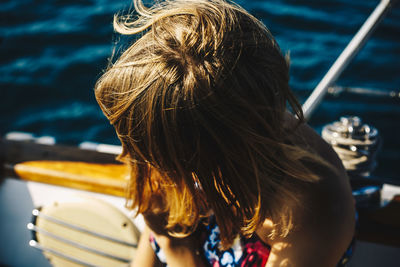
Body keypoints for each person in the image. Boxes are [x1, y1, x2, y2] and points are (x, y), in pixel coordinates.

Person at [94, 0, 356, 266]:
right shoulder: (178, 129)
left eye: (146, 149)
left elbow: (167, 241)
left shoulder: (305, 209)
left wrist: (176, 250)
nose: (128, 155)